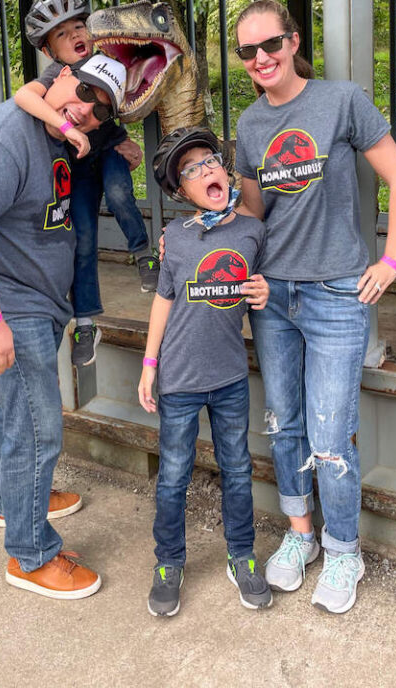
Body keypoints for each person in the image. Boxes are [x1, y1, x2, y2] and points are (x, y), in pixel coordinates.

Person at [232, 0, 396, 615]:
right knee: (285, 424)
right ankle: (301, 536)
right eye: (247, 52)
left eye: (271, 45)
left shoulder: (341, 100)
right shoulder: (250, 125)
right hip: (272, 294)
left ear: (292, 40)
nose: (261, 59)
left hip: (337, 291)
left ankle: (343, 550)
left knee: (331, 435)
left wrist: (389, 261)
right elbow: (255, 215)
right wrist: (219, 245)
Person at [0, 53, 126, 600]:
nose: (86, 109)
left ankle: (16, 501)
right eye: (84, 90)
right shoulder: (8, 136)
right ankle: (30, 554)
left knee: (15, 416)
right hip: (7, 306)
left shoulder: (56, 133)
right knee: (38, 430)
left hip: (34, 303)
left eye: (100, 109)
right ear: (60, 75)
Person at [138, 127, 272, 617]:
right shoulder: (175, 236)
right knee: (173, 476)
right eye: (190, 171)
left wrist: (264, 295)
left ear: (225, 168)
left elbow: (264, 290)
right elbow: (163, 300)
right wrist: (149, 364)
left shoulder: (253, 231)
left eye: (210, 161)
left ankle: (241, 556)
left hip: (231, 378)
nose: (205, 171)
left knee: (237, 470)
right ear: (182, 192)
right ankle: (168, 562)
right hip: (178, 380)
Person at [16, 0, 160, 369]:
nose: (74, 35)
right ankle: (84, 324)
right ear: (51, 54)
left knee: (118, 194)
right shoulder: (55, 76)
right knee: (82, 241)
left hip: (109, 152)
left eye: (79, 26)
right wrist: (65, 125)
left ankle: (143, 254)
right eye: (61, 35)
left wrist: (128, 141)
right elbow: (23, 96)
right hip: (77, 166)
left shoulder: (107, 60)